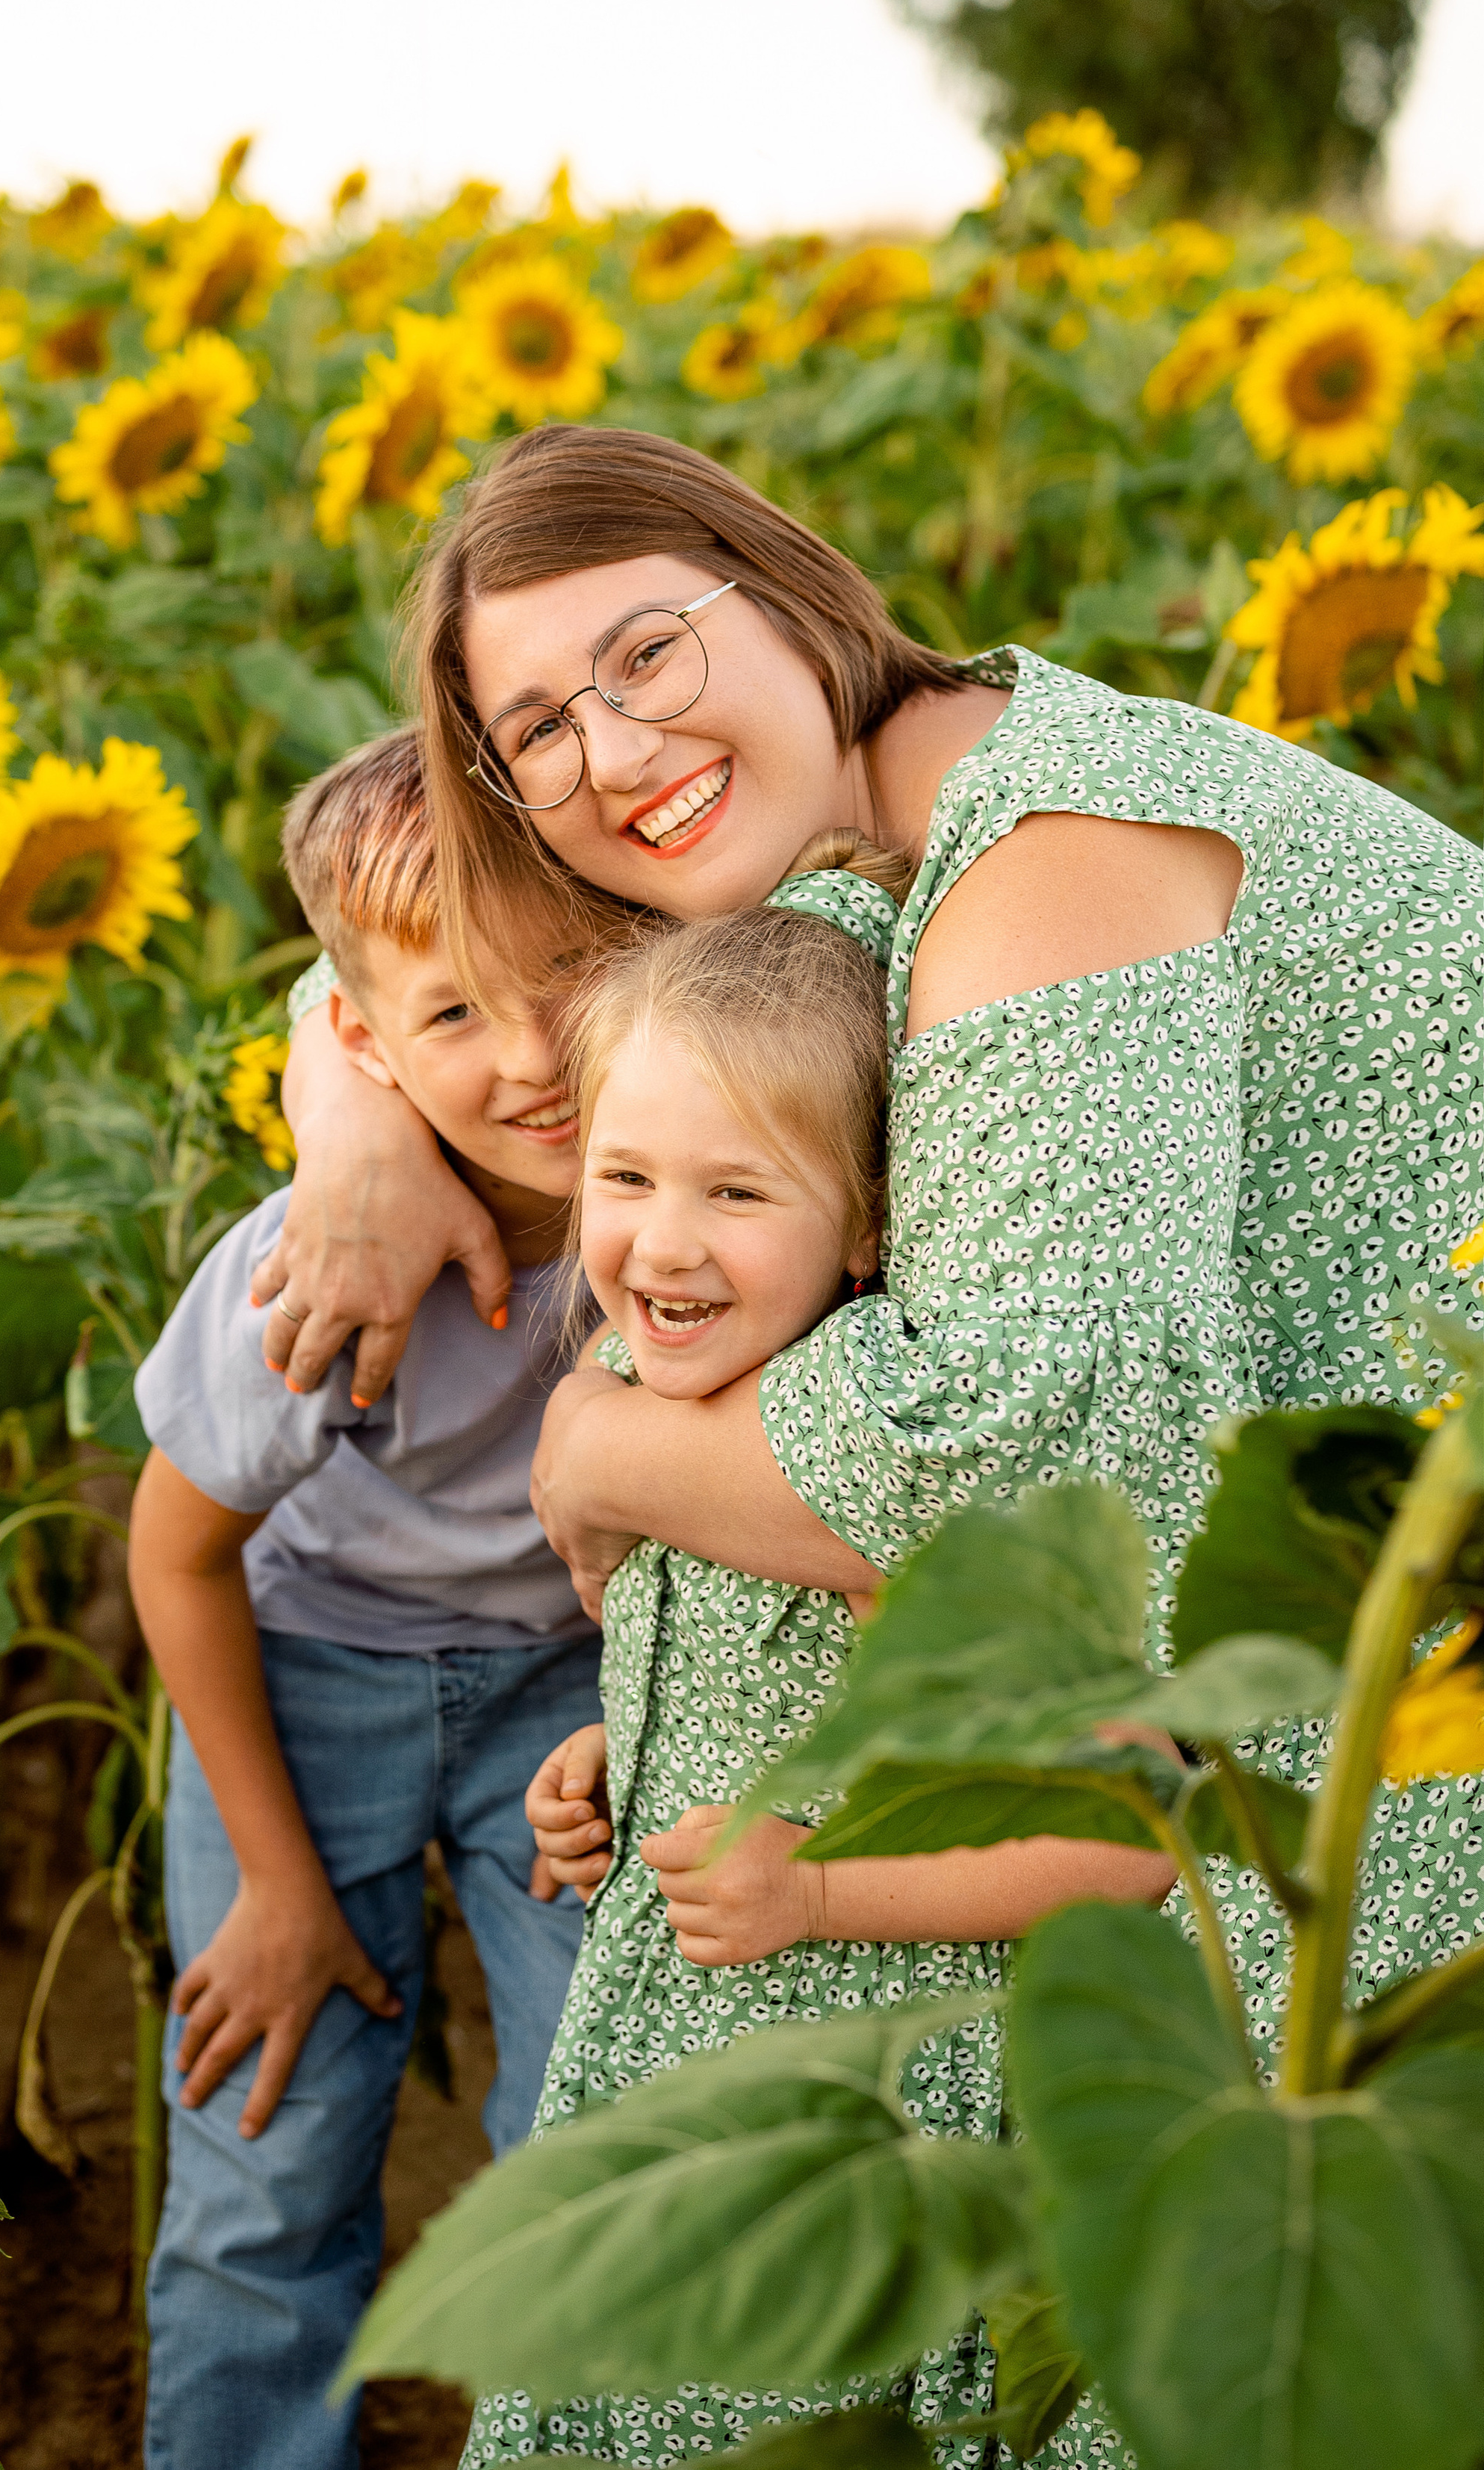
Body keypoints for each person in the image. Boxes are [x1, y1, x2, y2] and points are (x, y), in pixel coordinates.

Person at [258, 425, 1484, 2461]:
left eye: (646, 653)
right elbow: (387, 959)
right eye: (536, 730)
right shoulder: (881, 834)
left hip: (1393, 1761)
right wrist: (350, 1114)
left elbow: (1020, 1482)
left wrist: (593, 1453)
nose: (613, 751)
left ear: (786, 590)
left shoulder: (1045, 864)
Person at [473, 866, 1181, 2462]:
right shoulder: (648, 1382)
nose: (663, 1241)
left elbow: (1132, 1830)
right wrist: (621, 1753)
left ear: (867, 1224)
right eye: (624, 1175)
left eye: (738, 1192)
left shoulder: (869, 1464)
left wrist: (812, 1889)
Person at [128, 727, 606, 2470]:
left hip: (573, 1688)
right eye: (456, 1011)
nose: (532, 1056)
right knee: (265, 2156)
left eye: (566, 976)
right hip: (303, 1675)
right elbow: (176, 1555)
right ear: (360, 1043)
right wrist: (273, 1884)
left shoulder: (697, 1205)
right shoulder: (320, 1268)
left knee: (600, 2131)